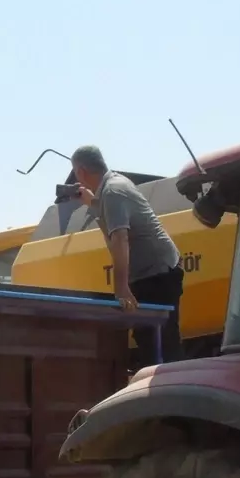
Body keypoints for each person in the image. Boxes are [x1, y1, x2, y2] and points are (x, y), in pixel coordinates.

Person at [71, 145, 185, 366]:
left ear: (81, 172)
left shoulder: (113, 191)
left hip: (157, 274)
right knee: (150, 339)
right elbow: (112, 232)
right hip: (153, 272)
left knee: (160, 341)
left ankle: (172, 392)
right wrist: (92, 204)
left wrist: (121, 287)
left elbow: (120, 239)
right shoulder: (111, 189)